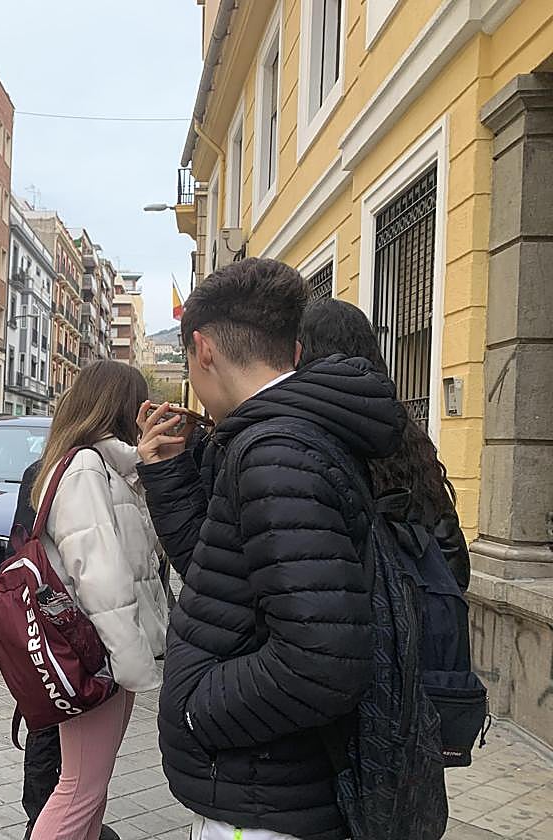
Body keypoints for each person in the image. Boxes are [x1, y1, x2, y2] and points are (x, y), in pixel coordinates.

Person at [136, 258, 407, 840]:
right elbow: (229, 584)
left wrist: (194, 706)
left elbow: (321, 663)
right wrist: (167, 473)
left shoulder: (274, 451)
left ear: (203, 350)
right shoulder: (281, 437)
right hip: (277, 786)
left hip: (268, 799)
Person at [27, 360, 171, 840]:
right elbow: (101, 575)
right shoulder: (86, 467)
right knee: (78, 789)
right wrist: (130, 663)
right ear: (123, 407)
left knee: (93, 786)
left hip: (106, 652)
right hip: (98, 654)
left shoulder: (108, 469)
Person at [298, 297, 470, 590]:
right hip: (418, 619)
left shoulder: (305, 440)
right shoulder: (408, 436)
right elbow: (454, 562)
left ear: (302, 354)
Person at [13, 460, 120, 840]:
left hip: (48, 635)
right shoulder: (85, 470)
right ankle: (42, 823)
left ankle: (39, 819)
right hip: (78, 639)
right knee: (76, 787)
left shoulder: (43, 469)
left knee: (64, 763)